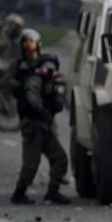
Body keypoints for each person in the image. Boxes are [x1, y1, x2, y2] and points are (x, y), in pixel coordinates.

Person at [10, 29, 69, 205]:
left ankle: (53, 191)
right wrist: (40, 108)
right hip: (33, 125)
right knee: (31, 165)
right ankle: (19, 193)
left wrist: (54, 99)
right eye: (26, 42)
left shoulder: (51, 82)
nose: (49, 70)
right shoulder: (32, 78)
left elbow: (59, 103)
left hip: (46, 125)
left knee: (60, 159)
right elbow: (30, 96)